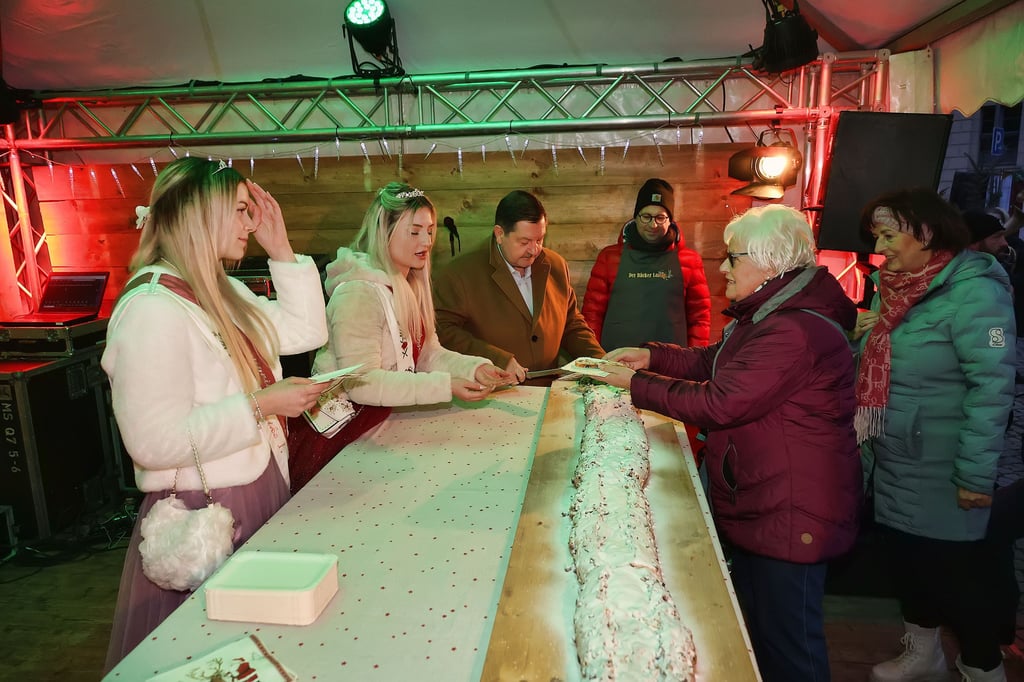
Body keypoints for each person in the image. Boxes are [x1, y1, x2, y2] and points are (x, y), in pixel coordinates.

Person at [593, 204, 861, 682]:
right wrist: (651, 356)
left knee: (790, 645)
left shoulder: (793, 330)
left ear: (769, 262)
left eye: (732, 257)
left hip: (793, 508)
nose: (722, 268)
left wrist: (634, 385)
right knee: (761, 629)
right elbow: (711, 363)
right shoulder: (767, 315)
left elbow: (720, 402)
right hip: (768, 497)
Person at [101, 157, 329, 671]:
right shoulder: (152, 307)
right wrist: (261, 405)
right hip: (209, 507)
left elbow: (305, 333)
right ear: (200, 214)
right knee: (210, 656)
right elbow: (153, 441)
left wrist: (281, 250)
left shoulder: (221, 289)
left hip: (256, 487)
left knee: (256, 647)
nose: (251, 223)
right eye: (241, 211)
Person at [852, 188, 1015, 682]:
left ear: (925, 232)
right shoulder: (893, 290)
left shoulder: (975, 292)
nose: (880, 248)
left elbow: (992, 389)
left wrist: (974, 476)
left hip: (945, 467)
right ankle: (923, 654)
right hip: (896, 457)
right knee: (910, 565)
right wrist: (860, 336)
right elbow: (888, 365)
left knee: (957, 578)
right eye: (876, 237)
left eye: (888, 235)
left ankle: (983, 666)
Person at [286, 183, 511, 492]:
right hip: (338, 436)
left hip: (377, 423)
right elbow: (361, 383)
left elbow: (428, 354)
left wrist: (474, 368)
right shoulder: (358, 293)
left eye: (429, 231)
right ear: (385, 232)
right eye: (414, 231)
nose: (426, 241)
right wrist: (446, 385)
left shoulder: (409, 284)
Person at [432, 190, 604, 384]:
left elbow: (571, 324)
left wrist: (601, 362)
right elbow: (442, 330)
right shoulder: (461, 274)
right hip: (492, 392)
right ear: (499, 234)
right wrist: (498, 359)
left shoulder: (556, 265)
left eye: (539, 240)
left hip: (548, 391)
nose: (534, 250)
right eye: (524, 242)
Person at [582, 178, 711, 350]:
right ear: (636, 217)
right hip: (616, 359)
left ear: (670, 220)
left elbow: (699, 318)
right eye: (646, 217)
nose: (653, 224)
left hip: (671, 361)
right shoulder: (609, 258)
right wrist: (593, 356)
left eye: (660, 217)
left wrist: (695, 358)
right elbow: (592, 314)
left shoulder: (689, 261)